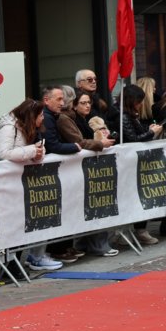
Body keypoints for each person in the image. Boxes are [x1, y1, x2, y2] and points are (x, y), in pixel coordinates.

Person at [0, 99, 61, 273]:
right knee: (14, 225)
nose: (42, 118)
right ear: (31, 116)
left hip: (26, 182)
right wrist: (32, 151)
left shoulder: (33, 129)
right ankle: (10, 266)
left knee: (26, 222)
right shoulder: (10, 128)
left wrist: (39, 153)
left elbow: (38, 147)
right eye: (40, 115)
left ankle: (19, 263)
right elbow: (3, 153)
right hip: (10, 184)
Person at [59, 88, 118, 258]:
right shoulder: (68, 119)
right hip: (82, 169)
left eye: (88, 102)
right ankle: (94, 244)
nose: (87, 106)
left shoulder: (86, 119)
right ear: (74, 104)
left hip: (89, 168)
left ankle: (87, 243)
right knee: (92, 205)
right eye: (83, 103)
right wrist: (100, 144)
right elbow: (80, 142)